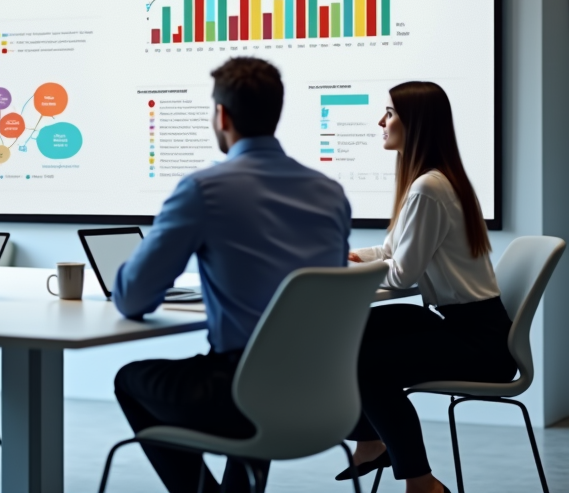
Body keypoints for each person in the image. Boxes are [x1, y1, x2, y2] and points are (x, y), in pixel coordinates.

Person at [112, 57, 351, 493]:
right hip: (322, 391)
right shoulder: (330, 193)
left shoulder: (204, 189)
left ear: (221, 115)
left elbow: (132, 298)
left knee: (130, 380)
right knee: (264, 371)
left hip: (240, 394)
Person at [342, 82, 513, 493]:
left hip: (479, 344)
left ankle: (421, 482)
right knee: (353, 334)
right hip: (469, 325)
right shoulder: (434, 180)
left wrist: (342, 276)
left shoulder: (428, 188)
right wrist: (346, 257)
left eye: (389, 113)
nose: (380, 121)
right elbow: (390, 249)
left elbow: (402, 274)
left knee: (366, 363)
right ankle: (371, 440)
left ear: (414, 123)